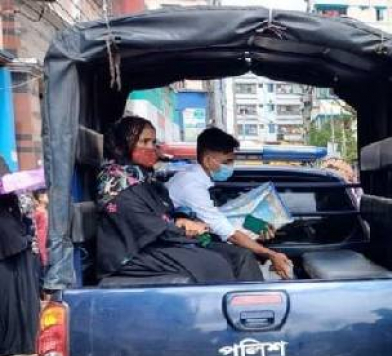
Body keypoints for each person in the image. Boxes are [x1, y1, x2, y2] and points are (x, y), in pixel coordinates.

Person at [96, 116, 235, 284]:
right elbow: (143, 223)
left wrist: (180, 221)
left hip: (151, 243)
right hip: (129, 254)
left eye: (153, 142)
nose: (151, 147)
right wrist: (181, 230)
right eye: (144, 142)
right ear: (123, 144)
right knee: (213, 264)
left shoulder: (141, 176)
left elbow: (161, 212)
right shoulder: (116, 182)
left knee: (223, 257)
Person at [166, 127, 291, 280]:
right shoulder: (191, 187)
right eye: (227, 161)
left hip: (195, 239)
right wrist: (271, 254)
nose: (231, 166)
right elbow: (228, 233)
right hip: (180, 245)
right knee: (241, 256)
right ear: (207, 160)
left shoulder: (197, 180)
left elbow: (226, 219)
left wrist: (256, 229)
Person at [0, 192, 41, 356]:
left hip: (11, 264)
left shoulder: (8, 211)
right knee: (12, 303)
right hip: (10, 267)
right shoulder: (5, 214)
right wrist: (27, 239)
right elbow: (12, 240)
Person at [32, 189, 49, 269]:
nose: (48, 197)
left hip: (46, 241)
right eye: (46, 195)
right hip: (42, 243)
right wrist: (44, 258)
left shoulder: (44, 211)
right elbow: (40, 234)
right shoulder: (39, 212)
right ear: (40, 198)